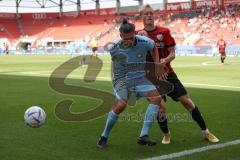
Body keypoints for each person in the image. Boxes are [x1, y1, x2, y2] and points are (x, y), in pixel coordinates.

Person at [138, 4, 219, 144]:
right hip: (152, 78)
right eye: (146, 14)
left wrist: (165, 61)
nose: (149, 15)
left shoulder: (164, 31)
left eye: (151, 13)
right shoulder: (138, 36)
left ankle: (206, 131)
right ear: (142, 17)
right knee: (160, 107)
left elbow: (173, 53)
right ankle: (166, 134)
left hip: (168, 74)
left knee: (186, 101)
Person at [96, 18, 168, 149]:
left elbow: (154, 48)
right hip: (122, 79)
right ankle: (103, 137)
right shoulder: (115, 48)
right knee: (121, 105)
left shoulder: (145, 42)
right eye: (126, 38)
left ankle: (143, 136)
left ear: (135, 33)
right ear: (121, 35)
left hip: (141, 79)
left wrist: (156, 64)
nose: (129, 41)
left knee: (156, 98)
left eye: (131, 37)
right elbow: (115, 67)